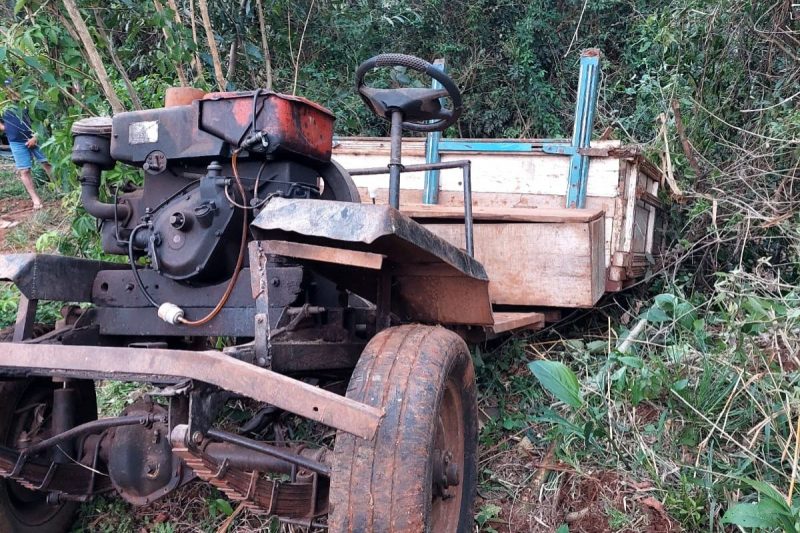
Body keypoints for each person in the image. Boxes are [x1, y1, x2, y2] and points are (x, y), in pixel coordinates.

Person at [0, 83, 52, 209]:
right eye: (6, 88)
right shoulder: (3, 104)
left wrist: (35, 137)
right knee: (24, 170)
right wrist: (6, 129)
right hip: (16, 141)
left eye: (12, 87)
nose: (10, 91)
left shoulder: (29, 100)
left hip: (37, 138)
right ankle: (35, 199)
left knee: (47, 163)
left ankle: (60, 189)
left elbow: (43, 120)